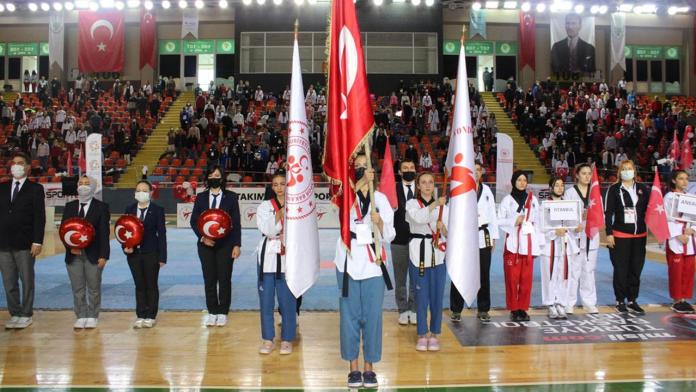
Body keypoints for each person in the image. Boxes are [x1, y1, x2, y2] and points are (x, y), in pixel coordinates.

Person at [334, 154, 395, 389]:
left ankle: (369, 368)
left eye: (365, 166)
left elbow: (390, 235)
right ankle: (353, 368)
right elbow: (340, 214)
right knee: (349, 319)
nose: (361, 169)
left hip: (373, 265)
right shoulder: (344, 197)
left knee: (372, 319)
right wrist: (358, 184)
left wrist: (379, 222)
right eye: (357, 167)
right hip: (348, 263)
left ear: (373, 171)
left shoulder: (380, 199)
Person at [190, 166, 242, 327]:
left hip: (225, 245)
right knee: (209, 279)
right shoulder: (200, 197)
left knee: (224, 278)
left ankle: (223, 312)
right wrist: (203, 238)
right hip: (205, 245)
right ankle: (212, 311)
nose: (214, 177)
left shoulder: (231, 197)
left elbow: (236, 223)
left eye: (217, 175)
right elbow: (194, 221)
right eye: (211, 175)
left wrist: (237, 245)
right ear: (207, 178)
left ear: (222, 178)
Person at [0, 152, 46, 329]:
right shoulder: (2, 188)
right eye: (14, 163)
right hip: (4, 243)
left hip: (25, 243)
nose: (16, 166)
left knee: (26, 279)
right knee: (8, 281)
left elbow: (39, 217)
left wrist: (37, 241)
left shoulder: (35, 189)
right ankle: (15, 312)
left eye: (20, 163)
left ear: (27, 167)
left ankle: (26, 313)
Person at [450, 162, 498, 322]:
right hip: (463, 236)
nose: (476, 173)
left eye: (479, 170)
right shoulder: (460, 189)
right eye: (474, 170)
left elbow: (493, 216)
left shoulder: (487, 192)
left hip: (483, 235)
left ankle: (483, 309)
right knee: (460, 273)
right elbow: (452, 214)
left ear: (482, 173)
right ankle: (456, 309)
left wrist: (493, 237)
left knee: (483, 275)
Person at [61, 176, 111, 329]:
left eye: (87, 184)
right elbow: (63, 231)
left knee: (94, 287)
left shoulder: (101, 207)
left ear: (93, 187)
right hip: (73, 254)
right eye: (80, 183)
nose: (83, 186)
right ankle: (80, 315)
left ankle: (93, 315)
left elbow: (104, 233)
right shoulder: (69, 206)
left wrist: (104, 255)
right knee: (77, 287)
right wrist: (70, 247)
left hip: (93, 254)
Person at [406, 172, 447, 351]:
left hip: (438, 254)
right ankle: (422, 333)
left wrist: (442, 228)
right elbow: (419, 218)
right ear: (418, 186)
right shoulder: (412, 204)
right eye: (423, 182)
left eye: (431, 182)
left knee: (437, 297)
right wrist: (434, 206)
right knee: (421, 297)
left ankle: (435, 333)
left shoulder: (443, 207)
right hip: (419, 253)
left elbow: (449, 233)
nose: (428, 185)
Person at [256, 174, 297, 355]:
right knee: (266, 302)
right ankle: (267, 339)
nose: (280, 188)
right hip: (268, 257)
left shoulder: (296, 206)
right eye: (276, 185)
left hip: (288, 256)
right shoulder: (265, 206)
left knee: (287, 301)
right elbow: (267, 229)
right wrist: (281, 212)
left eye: (283, 184)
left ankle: (287, 339)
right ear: (272, 187)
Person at [604, 160, 650, 315]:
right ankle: (619, 300)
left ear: (634, 172)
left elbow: (650, 210)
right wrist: (609, 233)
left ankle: (632, 300)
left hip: (640, 236)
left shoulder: (643, 189)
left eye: (629, 169)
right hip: (620, 235)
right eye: (624, 169)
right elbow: (608, 213)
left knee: (636, 269)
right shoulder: (614, 189)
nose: (627, 171)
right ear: (619, 172)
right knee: (621, 269)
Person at [498, 171, 543, 322]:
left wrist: (538, 244)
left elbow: (538, 221)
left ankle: (523, 308)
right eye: (519, 180)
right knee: (512, 279)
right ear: (513, 181)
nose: (522, 182)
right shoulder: (507, 200)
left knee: (526, 280)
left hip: (528, 244)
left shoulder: (533, 200)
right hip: (512, 245)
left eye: (524, 180)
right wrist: (514, 221)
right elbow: (499, 220)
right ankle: (513, 308)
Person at [123, 180, 167, 328]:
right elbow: (123, 231)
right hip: (134, 253)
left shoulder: (157, 210)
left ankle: (151, 315)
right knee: (139, 284)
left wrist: (162, 257)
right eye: (138, 190)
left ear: (150, 193)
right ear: (135, 193)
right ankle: (141, 314)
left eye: (144, 190)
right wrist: (126, 246)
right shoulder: (129, 209)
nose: (141, 193)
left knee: (151, 284)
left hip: (151, 253)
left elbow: (162, 234)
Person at [540, 177, 578, 320]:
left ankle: (561, 303)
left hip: (565, 245)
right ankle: (550, 304)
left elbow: (572, 224)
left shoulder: (568, 205)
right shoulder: (544, 205)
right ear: (551, 187)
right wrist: (554, 232)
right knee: (549, 276)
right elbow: (541, 227)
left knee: (563, 275)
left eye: (562, 185)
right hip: (550, 245)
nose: (560, 188)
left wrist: (577, 227)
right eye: (557, 185)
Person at [564, 164, 599, 314]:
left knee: (589, 270)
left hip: (591, 235)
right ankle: (569, 302)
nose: (587, 176)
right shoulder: (570, 193)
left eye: (589, 173)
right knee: (573, 270)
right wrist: (575, 224)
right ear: (576, 175)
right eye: (583, 173)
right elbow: (565, 214)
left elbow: (600, 213)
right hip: (575, 235)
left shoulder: (595, 192)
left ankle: (589, 302)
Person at [663, 170, 695, 314]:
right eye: (681, 179)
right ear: (674, 181)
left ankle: (684, 299)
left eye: (686, 179)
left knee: (688, 270)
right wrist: (677, 234)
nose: (685, 181)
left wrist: (692, 229)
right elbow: (665, 219)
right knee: (676, 270)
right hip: (675, 238)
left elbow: (694, 218)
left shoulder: (691, 198)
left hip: (689, 238)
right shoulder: (669, 197)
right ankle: (676, 300)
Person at [391, 159, 417, 325]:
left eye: (411, 167)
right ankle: (402, 309)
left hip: (418, 240)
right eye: (405, 168)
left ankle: (414, 309)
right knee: (400, 279)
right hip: (398, 240)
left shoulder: (422, 188)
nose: (409, 170)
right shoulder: (391, 189)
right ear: (400, 172)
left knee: (416, 278)